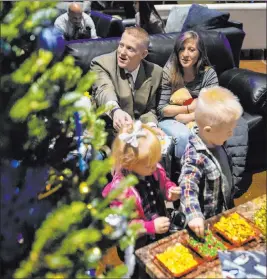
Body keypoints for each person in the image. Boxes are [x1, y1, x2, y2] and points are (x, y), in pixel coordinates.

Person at [102, 121, 180, 277]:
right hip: (136, 243)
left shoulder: (154, 169)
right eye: (150, 165)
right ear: (129, 163)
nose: (155, 167)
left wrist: (170, 190)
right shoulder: (120, 190)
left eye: (156, 161)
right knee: (140, 272)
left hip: (158, 230)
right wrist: (150, 226)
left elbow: (164, 183)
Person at [179, 86, 243, 239]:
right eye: (228, 131)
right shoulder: (194, 155)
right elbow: (187, 186)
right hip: (203, 224)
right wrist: (194, 216)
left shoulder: (217, 141)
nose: (232, 134)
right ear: (208, 130)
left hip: (222, 212)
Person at [91, 26, 165, 149]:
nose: (122, 52)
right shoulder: (101, 64)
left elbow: (149, 109)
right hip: (107, 131)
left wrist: (151, 128)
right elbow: (104, 90)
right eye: (121, 45)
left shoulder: (155, 72)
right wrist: (115, 110)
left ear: (144, 54)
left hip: (137, 132)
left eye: (130, 49)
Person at [157, 30, 218, 160]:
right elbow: (162, 110)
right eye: (181, 49)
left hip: (199, 119)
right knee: (184, 136)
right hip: (171, 120)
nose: (185, 54)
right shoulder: (169, 71)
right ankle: (183, 175)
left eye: (191, 50)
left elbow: (212, 108)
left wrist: (187, 117)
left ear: (200, 54)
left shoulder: (209, 74)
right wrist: (188, 108)